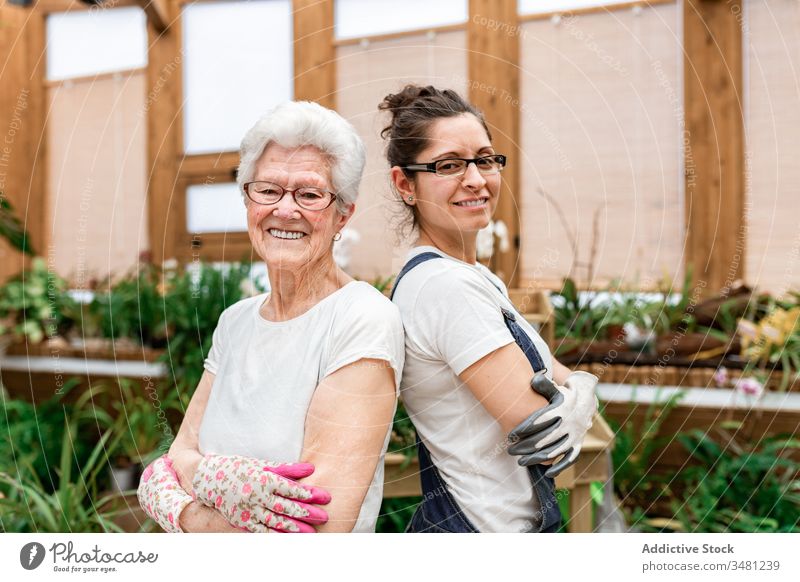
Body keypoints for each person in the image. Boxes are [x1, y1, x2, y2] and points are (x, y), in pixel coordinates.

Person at [137, 101, 405, 533]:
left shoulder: (362, 319)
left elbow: (318, 531)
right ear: (247, 199)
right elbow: (178, 456)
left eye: (310, 194)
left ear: (344, 213)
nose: (285, 209)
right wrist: (217, 483)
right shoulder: (236, 321)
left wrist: (184, 502)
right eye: (267, 190)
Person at [380, 85, 599, 533]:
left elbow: (553, 372)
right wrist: (579, 398)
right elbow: (541, 430)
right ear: (405, 184)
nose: (477, 178)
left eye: (485, 159)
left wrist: (578, 386)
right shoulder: (445, 286)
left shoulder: (474, 277)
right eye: (449, 165)